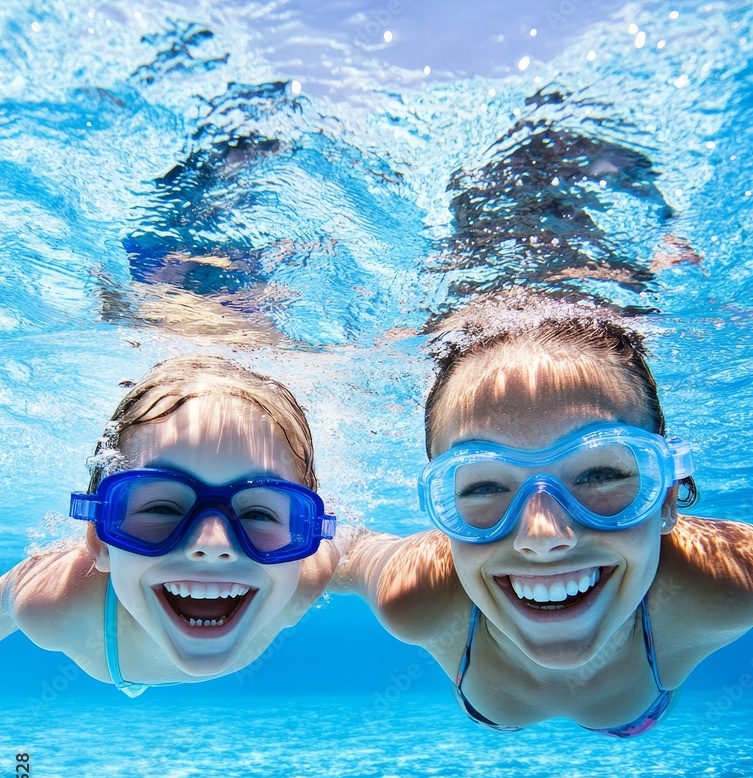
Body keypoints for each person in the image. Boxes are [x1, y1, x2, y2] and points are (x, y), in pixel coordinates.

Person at [335, 296, 753, 736]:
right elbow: (341, 549)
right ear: (444, 507)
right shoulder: (415, 596)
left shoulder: (729, 580)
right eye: (484, 486)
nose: (542, 535)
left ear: (666, 497)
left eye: (599, 474)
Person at [0, 356, 340, 695]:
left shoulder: (304, 577)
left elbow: (367, 553)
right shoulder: (54, 605)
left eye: (258, 515)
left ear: (303, 543)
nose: (213, 544)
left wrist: (391, 584)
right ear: (101, 542)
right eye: (162, 508)